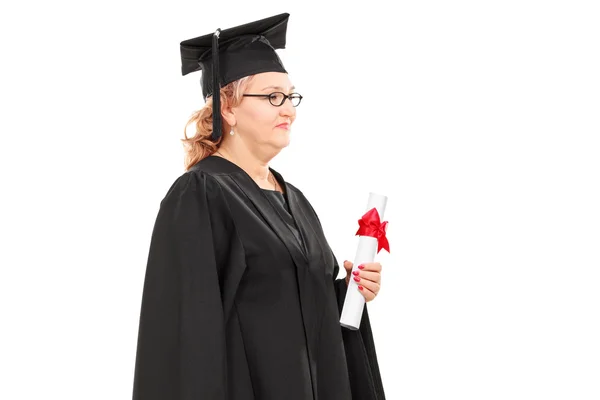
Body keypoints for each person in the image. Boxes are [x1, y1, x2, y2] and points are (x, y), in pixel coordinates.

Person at [132, 13, 386, 400]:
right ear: (228, 108)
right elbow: (186, 333)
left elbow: (291, 304)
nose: (289, 110)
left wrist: (348, 293)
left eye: (290, 97)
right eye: (272, 97)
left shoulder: (294, 198)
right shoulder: (200, 194)